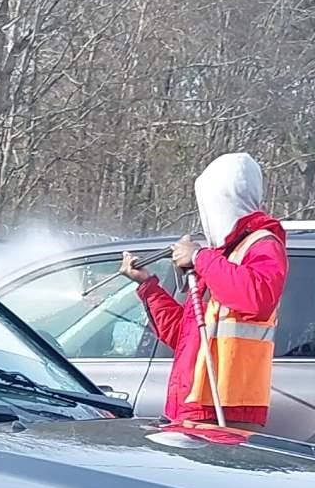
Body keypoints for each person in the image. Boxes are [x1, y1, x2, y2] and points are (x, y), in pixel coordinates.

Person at [120, 152, 287, 428]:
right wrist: (148, 286)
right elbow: (184, 335)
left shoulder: (262, 245)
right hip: (191, 405)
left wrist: (199, 258)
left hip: (227, 409)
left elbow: (258, 298)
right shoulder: (221, 259)